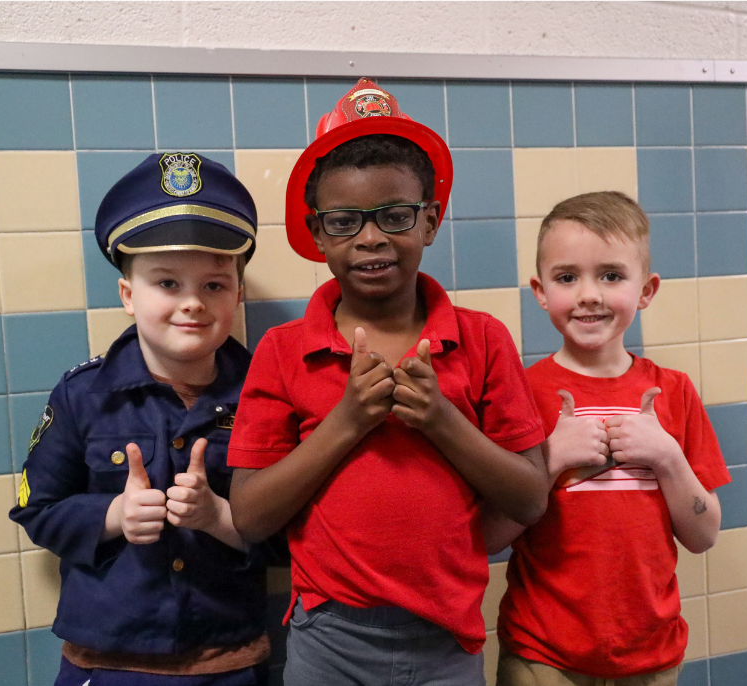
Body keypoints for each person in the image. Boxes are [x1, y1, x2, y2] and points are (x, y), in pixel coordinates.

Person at [225, 79, 550, 686]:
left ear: (428, 222)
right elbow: (249, 515)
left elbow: (530, 497)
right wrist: (347, 423)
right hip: (328, 639)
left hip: (448, 639)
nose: (370, 238)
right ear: (318, 234)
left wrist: (442, 420)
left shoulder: (483, 341)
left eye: (395, 217)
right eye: (345, 222)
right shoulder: (282, 350)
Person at [10, 152, 279, 686]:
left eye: (214, 285)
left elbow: (299, 534)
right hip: (106, 665)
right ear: (129, 296)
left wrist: (220, 518)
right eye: (167, 283)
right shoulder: (83, 395)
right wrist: (114, 514)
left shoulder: (267, 396)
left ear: (239, 293)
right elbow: (35, 508)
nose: (193, 304)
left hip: (228, 663)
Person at [494, 191, 732, 686]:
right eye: (567, 278)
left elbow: (703, 535)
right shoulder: (518, 393)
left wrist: (667, 457)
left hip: (651, 655)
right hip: (543, 655)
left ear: (646, 289)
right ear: (540, 291)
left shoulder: (674, 391)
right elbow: (487, 538)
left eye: (611, 275)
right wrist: (549, 462)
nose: (589, 294)